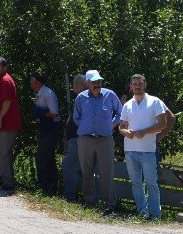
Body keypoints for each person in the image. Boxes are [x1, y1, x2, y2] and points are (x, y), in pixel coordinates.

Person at [119, 74, 169, 220]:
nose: (137, 86)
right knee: (136, 183)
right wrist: (126, 132)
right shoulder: (128, 104)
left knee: (151, 183)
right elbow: (121, 126)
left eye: (140, 83)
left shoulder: (155, 102)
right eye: (134, 84)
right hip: (130, 150)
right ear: (131, 86)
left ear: (145, 85)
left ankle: (155, 215)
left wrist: (145, 132)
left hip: (147, 150)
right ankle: (142, 212)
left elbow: (163, 123)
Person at [73, 69, 121, 213]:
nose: (97, 84)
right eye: (94, 82)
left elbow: (120, 112)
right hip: (85, 140)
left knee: (107, 172)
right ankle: (90, 201)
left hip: (105, 140)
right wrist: (84, 127)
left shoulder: (110, 95)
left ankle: (110, 204)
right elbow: (76, 117)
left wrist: (111, 125)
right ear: (87, 83)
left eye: (99, 81)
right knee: (86, 171)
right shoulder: (81, 98)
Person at [0, 57, 21, 193]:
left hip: (7, 124)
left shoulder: (5, 80)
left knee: (2, 154)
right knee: (4, 154)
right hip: (6, 123)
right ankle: (7, 181)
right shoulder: (1, 80)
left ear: (4, 67)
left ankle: (8, 184)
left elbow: (7, 101)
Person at [29, 71, 62, 195]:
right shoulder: (40, 93)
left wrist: (41, 114)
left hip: (52, 128)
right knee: (49, 157)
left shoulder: (48, 93)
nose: (30, 83)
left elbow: (54, 112)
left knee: (41, 157)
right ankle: (51, 185)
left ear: (37, 82)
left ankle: (45, 186)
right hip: (44, 127)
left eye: (32, 81)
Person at [62, 74, 88, 202]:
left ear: (84, 84)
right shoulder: (81, 98)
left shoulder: (85, 98)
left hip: (78, 139)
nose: (73, 86)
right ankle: (79, 195)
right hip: (74, 139)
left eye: (76, 83)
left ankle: (69, 196)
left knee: (69, 166)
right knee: (77, 168)